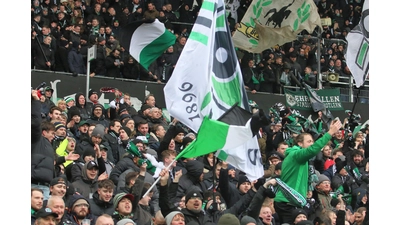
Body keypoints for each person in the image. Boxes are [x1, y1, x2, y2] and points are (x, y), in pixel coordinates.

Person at [273, 120, 342, 224]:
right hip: (287, 202)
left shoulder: (300, 158)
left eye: (312, 141)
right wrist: (330, 132)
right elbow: (313, 150)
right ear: (300, 143)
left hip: (292, 201)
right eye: (309, 141)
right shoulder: (296, 155)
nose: (312, 144)